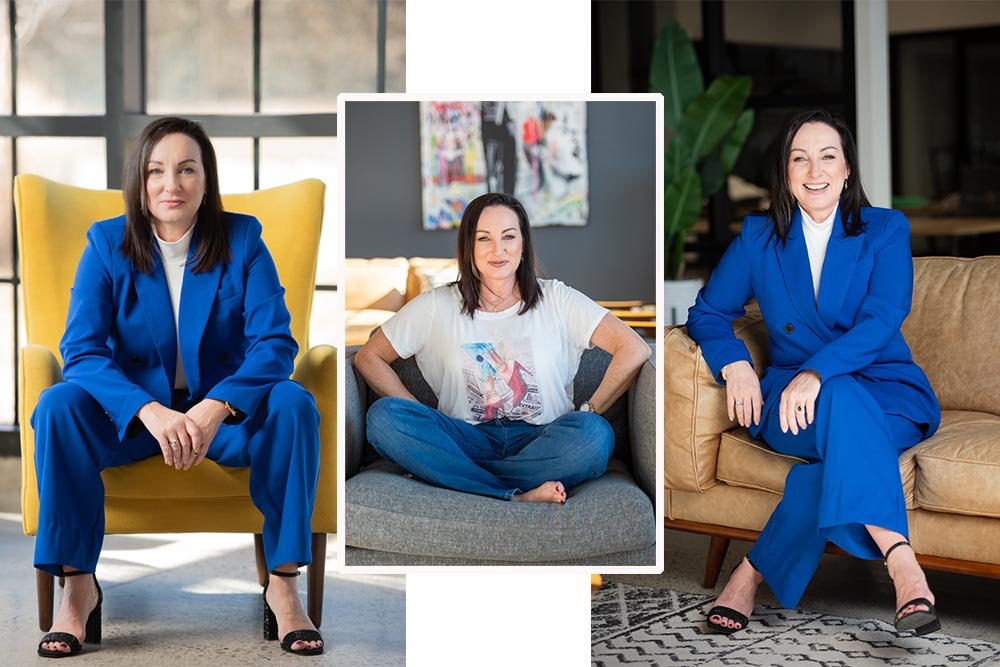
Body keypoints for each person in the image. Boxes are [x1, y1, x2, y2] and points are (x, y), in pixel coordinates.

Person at [33, 117, 324, 657]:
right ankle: (77, 589)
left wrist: (216, 406)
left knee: (292, 402)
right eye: (157, 171)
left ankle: (283, 585)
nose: (172, 185)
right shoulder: (106, 242)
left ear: (206, 180)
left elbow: (276, 344)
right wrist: (146, 409)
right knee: (58, 404)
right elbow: (82, 350)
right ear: (139, 183)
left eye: (187, 169)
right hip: (135, 423)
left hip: (223, 420)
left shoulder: (243, 237)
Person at [687, 109, 942, 636]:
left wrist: (818, 373)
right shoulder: (759, 236)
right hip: (787, 401)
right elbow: (708, 314)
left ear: (847, 168)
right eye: (799, 157)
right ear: (784, 172)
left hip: (886, 392)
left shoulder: (885, 229)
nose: (814, 169)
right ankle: (902, 563)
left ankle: (751, 572)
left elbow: (883, 319)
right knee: (842, 410)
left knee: (834, 445)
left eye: (828, 156)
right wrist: (735, 367)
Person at [355, 192, 651, 504]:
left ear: (523, 244)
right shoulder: (435, 305)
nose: (498, 249)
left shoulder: (558, 299)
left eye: (508, 236)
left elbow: (633, 348)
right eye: (484, 238)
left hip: (543, 439)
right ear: (469, 247)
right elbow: (369, 356)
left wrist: (589, 409)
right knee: (384, 417)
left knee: (594, 435)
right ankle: (514, 494)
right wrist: (418, 412)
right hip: (464, 438)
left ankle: (454, 475)